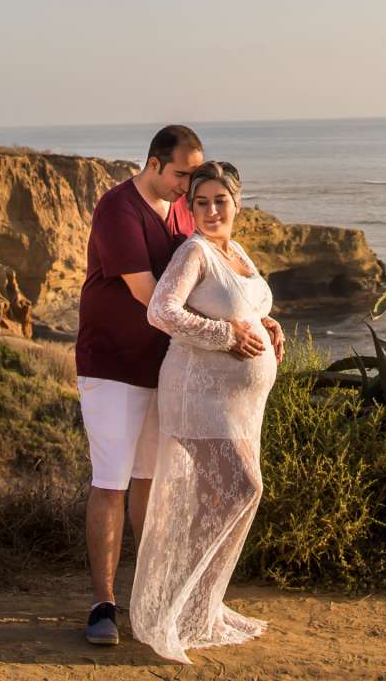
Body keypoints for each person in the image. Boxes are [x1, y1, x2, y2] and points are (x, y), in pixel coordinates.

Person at [76, 126, 280, 648]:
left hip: (164, 368)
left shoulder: (183, 209)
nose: (191, 186)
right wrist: (229, 332)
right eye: (184, 175)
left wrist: (259, 322)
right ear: (154, 164)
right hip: (115, 366)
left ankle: (157, 595)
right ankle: (104, 603)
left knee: (151, 480)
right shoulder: (120, 209)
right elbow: (156, 299)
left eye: (198, 175)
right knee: (113, 480)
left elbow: (217, 280)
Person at [132, 159, 279, 663]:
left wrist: (265, 322)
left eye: (221, 200)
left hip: (238, 402)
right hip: (199, 393)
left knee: (227, 497)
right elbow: (161, 311)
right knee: (242, 488)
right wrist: (227, 336)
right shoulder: (194, 250)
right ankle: (179, 608)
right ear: (189, 207)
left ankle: (203, 603)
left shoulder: (233, 250)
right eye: (201, 202)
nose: (212, 209)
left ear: (237, 203)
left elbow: (237, 303)